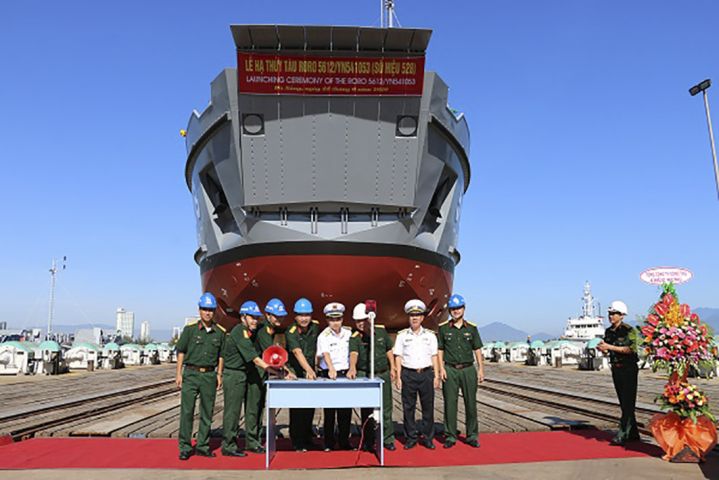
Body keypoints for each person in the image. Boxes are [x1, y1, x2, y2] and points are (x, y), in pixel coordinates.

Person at [220, 301, 279, 456]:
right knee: (233, 412)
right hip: (234, 374)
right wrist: (275, 372)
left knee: (252, 410)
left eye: (257, 318)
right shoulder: (240, 331)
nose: (255, 321)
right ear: (243, 317)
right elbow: (255, 358)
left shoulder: (251, 331)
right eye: (252, 318)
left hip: (244, 373)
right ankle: (229, 445)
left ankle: (251, 442)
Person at [175, 292, 226, 460]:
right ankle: (185, 446)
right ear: (199, 310)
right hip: (190, 373)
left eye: (210, 309)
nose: (208, 313)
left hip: (209, 376)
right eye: (205, 309)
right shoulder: (189, 330)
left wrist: (219, 374)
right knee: (187, 411)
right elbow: (181, 351)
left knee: (207, 412)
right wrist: (178, 374)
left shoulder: (219, 333)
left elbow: (221, 355)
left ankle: (203, 445)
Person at [347, 302, 397, 451]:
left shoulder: (381, 332)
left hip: (383, 373)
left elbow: (388, 349)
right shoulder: (355, 337)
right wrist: (352, 367)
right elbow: (354, 353)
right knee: (367, 410)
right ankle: (369, 440)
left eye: (362, 320)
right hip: (365, 375)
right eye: (357, 321)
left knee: (386, 407)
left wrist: (393, 367)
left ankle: (388, 439)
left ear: (369, 318)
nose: (360, 324)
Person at [437, 293, 484, 449]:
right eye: (453, 308)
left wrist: (481, 369)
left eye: (458, 308)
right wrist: (441, 368)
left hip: (468, 369)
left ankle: (472, 435)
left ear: (464, 309)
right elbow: (440, 350)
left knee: (471, 403)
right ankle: (450, 436)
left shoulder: (472, 328)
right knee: (450, 403)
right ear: (449, 310)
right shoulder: (443, 328)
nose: (456, 311)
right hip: (450, 369)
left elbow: (477, 349)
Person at [393, 299, 440, 450]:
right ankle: (411, 437)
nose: (415, 318)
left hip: (426, 373)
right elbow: (398, 356)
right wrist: (398, 376)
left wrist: (437, 375)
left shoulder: (430, 336)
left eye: (418, 315)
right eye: (412, 315)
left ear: (422, 318)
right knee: (408, 408)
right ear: (409, 317)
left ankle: (427, 438)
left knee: (428, 407)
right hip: (408, 374)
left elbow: (434, 356)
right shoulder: (402, 336)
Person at [597, 300, 640, 446]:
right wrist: (603, 348)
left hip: (628, 369)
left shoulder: (629, 330)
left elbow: (630, 349)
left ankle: (622, 433)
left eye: (614, 313)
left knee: (628, 401)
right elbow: (609, 347)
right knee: (623, 401)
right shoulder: (609, 332)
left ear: (622, 315)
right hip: (616, 368)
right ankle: (633, 432)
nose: (611, 316)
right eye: (610, 313)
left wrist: (610, 347)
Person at [316, 302, 353, 451]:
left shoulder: (349, 334)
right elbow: (325, 354)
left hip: (345, 373)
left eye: (338, 319)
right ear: (327, 320)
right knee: (329, 411)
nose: (335, 323)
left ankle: (344, 441)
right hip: (329, 374)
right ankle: (328, 442)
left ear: (342, 319)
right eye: (332, 320)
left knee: (345, 410)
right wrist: (331, 368)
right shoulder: (323, 336)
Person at [286, 297, 320, 451]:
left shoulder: (315, 328)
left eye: (307, 315)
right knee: (297, 408)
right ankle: (297, 440)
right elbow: (297, 352)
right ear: (295, 316)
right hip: (297, 374)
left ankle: (307, 437)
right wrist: (309, 370)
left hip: (310, 373)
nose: (304, 318)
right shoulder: (291, 331)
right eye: (301, 315)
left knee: (310, 406)